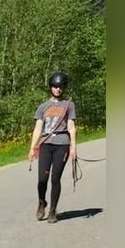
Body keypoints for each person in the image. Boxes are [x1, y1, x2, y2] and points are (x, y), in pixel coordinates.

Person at [28, 71, 78, 224]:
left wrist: (73, 147)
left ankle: (52, 211)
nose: (58, 89)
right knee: (42, 179)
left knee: (55, 178)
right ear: (51, 87)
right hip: (46, 144)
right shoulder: (43, 107)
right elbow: (38, 129)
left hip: (62, 145)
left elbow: (71, 127)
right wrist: (32, 148)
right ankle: (42, 202)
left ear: (64, 88)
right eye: (55, 86)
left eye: (61, 86)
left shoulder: (69, 105)